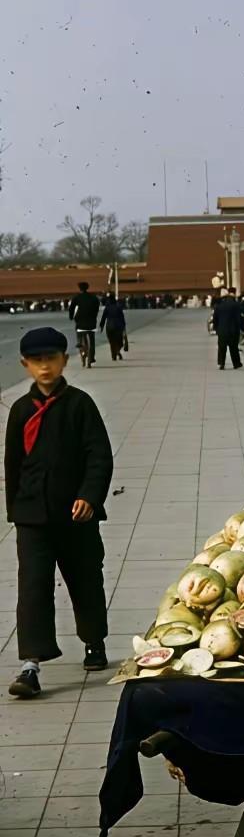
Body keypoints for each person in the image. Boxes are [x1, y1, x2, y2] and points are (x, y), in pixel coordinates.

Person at [5, 327, 114, 697]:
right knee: (33, 586)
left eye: (51, 359)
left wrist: (90, 496)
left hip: (76, 515)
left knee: (85, 580)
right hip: (34, 517)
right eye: (37, 361)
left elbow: (98, 456)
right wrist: (17, 509)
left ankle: (93, 640)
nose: (45, 367)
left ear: (65, 360)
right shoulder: (20, 410)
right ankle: (30, 666)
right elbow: (14, 463)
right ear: (26, 365)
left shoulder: (80, 404)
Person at [68, 281, 100, 367]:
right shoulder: (93, 297)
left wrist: (71, 316)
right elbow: (97, 307)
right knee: (92, 341)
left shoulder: (77, 297)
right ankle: (91, 358)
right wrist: (94, 315)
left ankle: (79, 342)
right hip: (91, 321)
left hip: (80, 320)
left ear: (79, 288)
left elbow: (71, 308)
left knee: (79, 331)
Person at [212, 287, 243, 370]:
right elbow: (238, 318)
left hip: (222, 330)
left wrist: (216, 328)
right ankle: (236, 364)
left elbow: (215, 318)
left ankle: (222, 364)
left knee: (222, 347)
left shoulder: (218, 306)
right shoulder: (236, 304)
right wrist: (240, 328)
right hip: (233, 330)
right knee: (234, 348)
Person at [99, 294, 127, 361]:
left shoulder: (107, 307)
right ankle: (117, 351)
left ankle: (113, 356)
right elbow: (122, 318)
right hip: (118, 326)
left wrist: (101, 326)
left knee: (112, 342)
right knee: (119, 342)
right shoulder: (119, 307)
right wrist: (124, 327)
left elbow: (103, 318)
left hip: (109, 327)